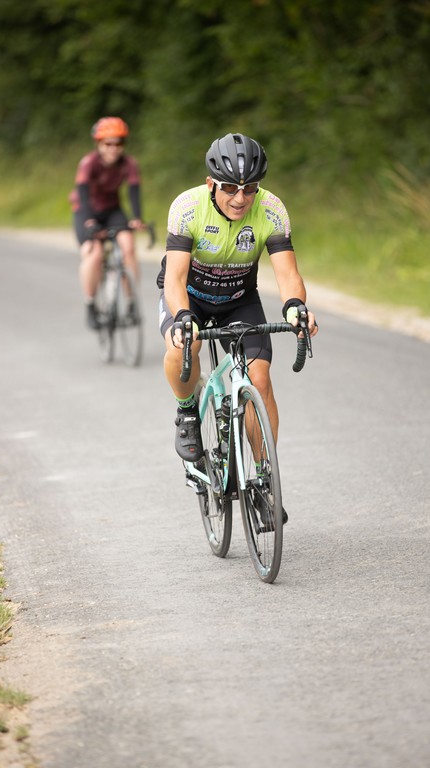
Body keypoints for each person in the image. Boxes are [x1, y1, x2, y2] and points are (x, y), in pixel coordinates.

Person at [158, 132, 318, 524]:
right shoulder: (187, 208)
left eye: (249, 188)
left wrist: (296, 307)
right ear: (211, 183)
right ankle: (187, 412)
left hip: (239, 300)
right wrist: (182, 318)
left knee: (259, 379)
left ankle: (263, 480)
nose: (240, 198)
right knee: (183, 347)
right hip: (189, 298)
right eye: (230, 187)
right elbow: (174, 279)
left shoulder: (272, 210)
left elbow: (288, 274)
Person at [70, 116, 145, 329]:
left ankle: (131, 302)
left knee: (128, 247)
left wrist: (137, 218)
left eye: (118, 143)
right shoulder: (89, 163)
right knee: (94, 255)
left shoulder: (129, 164)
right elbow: (83, 194)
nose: (113, 148)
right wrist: (89, 222)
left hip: (112, 210)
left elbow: (133, 191)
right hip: (86, 210)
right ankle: (90, 304)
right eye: (108, 144)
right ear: (99, 144)